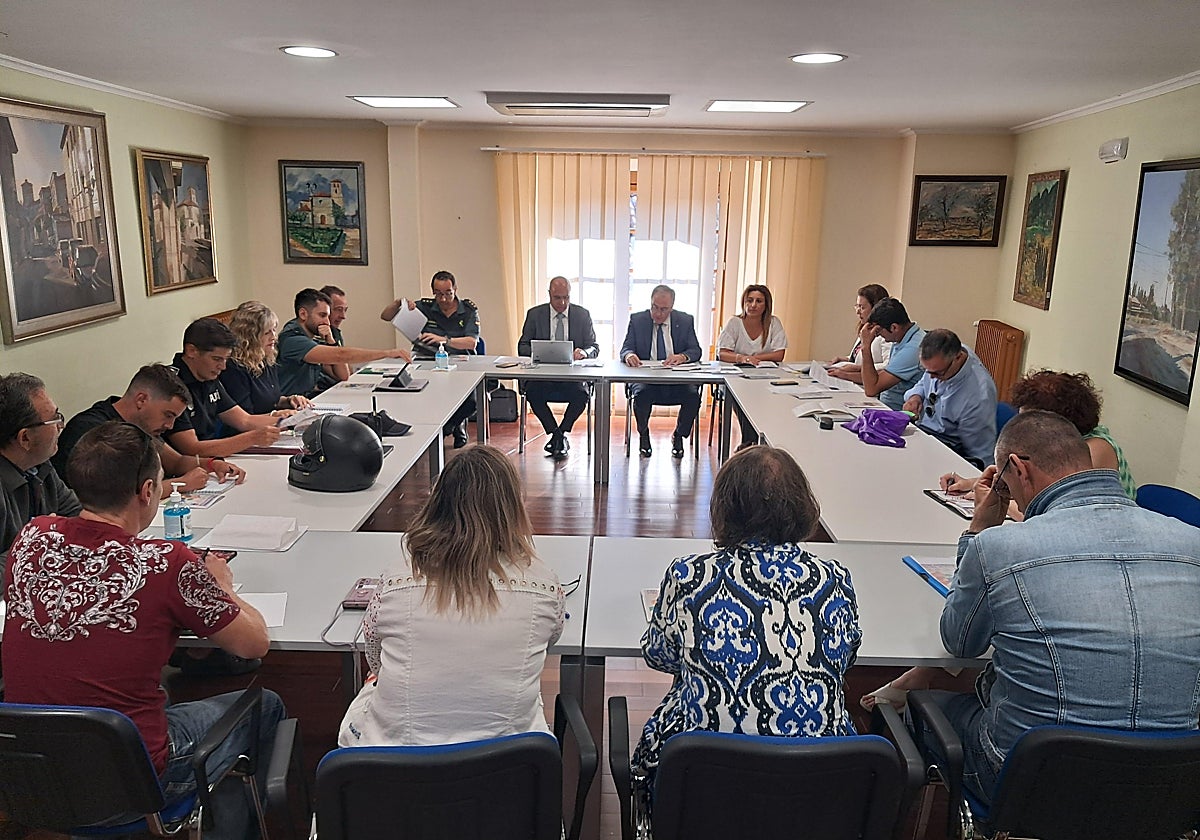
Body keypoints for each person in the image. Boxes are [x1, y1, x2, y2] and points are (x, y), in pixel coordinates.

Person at [2, 421, 284, 839]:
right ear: (148, 491)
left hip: (30, 776)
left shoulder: (32, 538)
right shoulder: (166, 561)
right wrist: (223, 588)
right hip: (128, 784)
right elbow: (253, 642)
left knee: (157, 693)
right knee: (268, 704)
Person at [913, 410, 1200, 810]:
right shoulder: (1193, 543)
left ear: (1016, 468)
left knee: (917, 709)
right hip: (1172, 788)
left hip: (1036, 783)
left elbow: (959, 642)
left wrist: (979, 529)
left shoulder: (999, 548)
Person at [631, 446, 861, 808]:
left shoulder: (690, 575)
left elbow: (659, 655)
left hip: (705, 788)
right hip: (818, 787)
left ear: (724, 508)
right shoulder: (835, 578)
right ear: (802, 505)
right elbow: (847, 657)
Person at [338, 445, 563, 746]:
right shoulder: (544, 585)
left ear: (438, 501)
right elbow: (551, 637)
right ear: (513, 507)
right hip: (505, 771)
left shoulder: (395, 580)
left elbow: (376, 660)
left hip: (393, 773)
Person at [942, 370, 1136, 500]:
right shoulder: (1057, 444)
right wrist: (972, 483)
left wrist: (994, 501)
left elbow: (1053, 512)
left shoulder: (1094, 450)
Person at [54, 364, 247, 492]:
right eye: (168, 415)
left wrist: (212, 464)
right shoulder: (94, 430)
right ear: (141, 400)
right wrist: (179, 485)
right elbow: (117, 499)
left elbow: (177, 462)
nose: (170, 426)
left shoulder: (142, 426)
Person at [380, 271, 481, 448]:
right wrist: (399, 304)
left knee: (472, 402)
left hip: (459, 362)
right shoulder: (425, 306)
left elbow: (472, 342)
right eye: (438, 293)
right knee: (417, 395)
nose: (443, 299)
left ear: (455, 289)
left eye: (447, 293)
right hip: (426, 359)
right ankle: (442, 430)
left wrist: (445, 340)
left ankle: (450, 427)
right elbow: (385, 316)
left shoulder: (468, 310)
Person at [163, 318, 285, 458]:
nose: (223, 366)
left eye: (226, 359)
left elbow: (244, 420)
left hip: (213, 459)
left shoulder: (208, 376)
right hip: (187, 466)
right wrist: (252, 438)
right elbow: (192, 448)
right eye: (216, 359)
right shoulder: (171, 385)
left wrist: (291, 421)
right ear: (191, 351)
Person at [516, 276, 600, 460]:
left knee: (582, 395)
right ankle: (558, 435)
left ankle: (559, 434)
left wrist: (584, 353)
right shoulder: (535, 314)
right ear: (549, 295)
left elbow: (594, 346)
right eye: (557, 298)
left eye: (566, 297)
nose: (562, 303)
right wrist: (538, 351)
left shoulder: (582, 315)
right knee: (532, 393)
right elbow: (522, 346)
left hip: (572, 378)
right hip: (543, 377)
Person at [0, 373, 81, 559]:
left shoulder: (40, 465)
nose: (61, 425)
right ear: (25, 438)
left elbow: (78, 517)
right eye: (54, 420)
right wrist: (37, 543)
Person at [278, 288, 412, 399]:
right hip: (290, 405)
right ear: (303, 314)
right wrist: (387, 353)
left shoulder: (312, 335)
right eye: (322, 315)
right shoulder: (293, 339)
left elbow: (343, 375)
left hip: (306, 400)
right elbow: (340, 355)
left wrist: (331, 341)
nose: (327, 322)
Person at [620, 284, 703, 459]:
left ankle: (679, 435)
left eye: (663, 309)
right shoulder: (638, 320)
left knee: (693, 396)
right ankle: (643, 434)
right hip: (646, 379)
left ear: (671, 308)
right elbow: (626, 348)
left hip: (676, 379)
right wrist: (629, 355)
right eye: (654, 307)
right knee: (641, 395)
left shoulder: (685, 320)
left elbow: (696, 350)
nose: (657, 314)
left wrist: (682, 357)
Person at [902, 328, 998, 467]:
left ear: (958, 358)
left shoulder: (979, 396)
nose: (931, 377)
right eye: (926, 370)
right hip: (922, 435)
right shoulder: (941, 360)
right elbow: (924, 383)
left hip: (948, 451)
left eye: (938, 373)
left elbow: (980, 458)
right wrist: (915, 396)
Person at [716, 284, 788, 448]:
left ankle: (761, 441)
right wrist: (743, 358)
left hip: (765, 376)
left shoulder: (773, 323)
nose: (753, 305)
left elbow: (779, 354)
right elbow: (723, 353)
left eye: (759, 301)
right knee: (740, 397)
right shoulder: (735, 322)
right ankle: (749, 441)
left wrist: (755, 358)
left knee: (769, 399)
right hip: (737, 374)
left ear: (766, 305)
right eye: (750, 300)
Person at [222, 300, 314, 416]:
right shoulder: (234, 368)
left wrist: (289, 400)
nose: (274, 337)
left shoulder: (265, 359)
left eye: (274, 330)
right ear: (250, 337)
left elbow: (271, 401)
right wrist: (275, 415)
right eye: (267, 333)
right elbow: (244, 419)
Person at [858, 297, 926, 410]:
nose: (878, 335)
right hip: (884, 405)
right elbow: (884, 374)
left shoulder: (913, 348)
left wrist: (866, 347)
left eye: (879, 331)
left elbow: (871, 389)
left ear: (894, 327)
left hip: (896, 413)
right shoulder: (902, 337)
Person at [827, 283, 890, 383]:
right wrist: (845, 359)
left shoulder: (886, 335)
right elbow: (859, 356)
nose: (858, 311)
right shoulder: (866, 328)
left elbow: (888, 366)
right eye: (857, 306)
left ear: (875, 309)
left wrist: (858, 368)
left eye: (862, 307)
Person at [317, 284, 352, 386]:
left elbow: (348, 369)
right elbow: (341, 375)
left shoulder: (334, 332)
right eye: (338, 309)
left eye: (345, 310)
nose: (343, 316)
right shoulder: (314, 334)